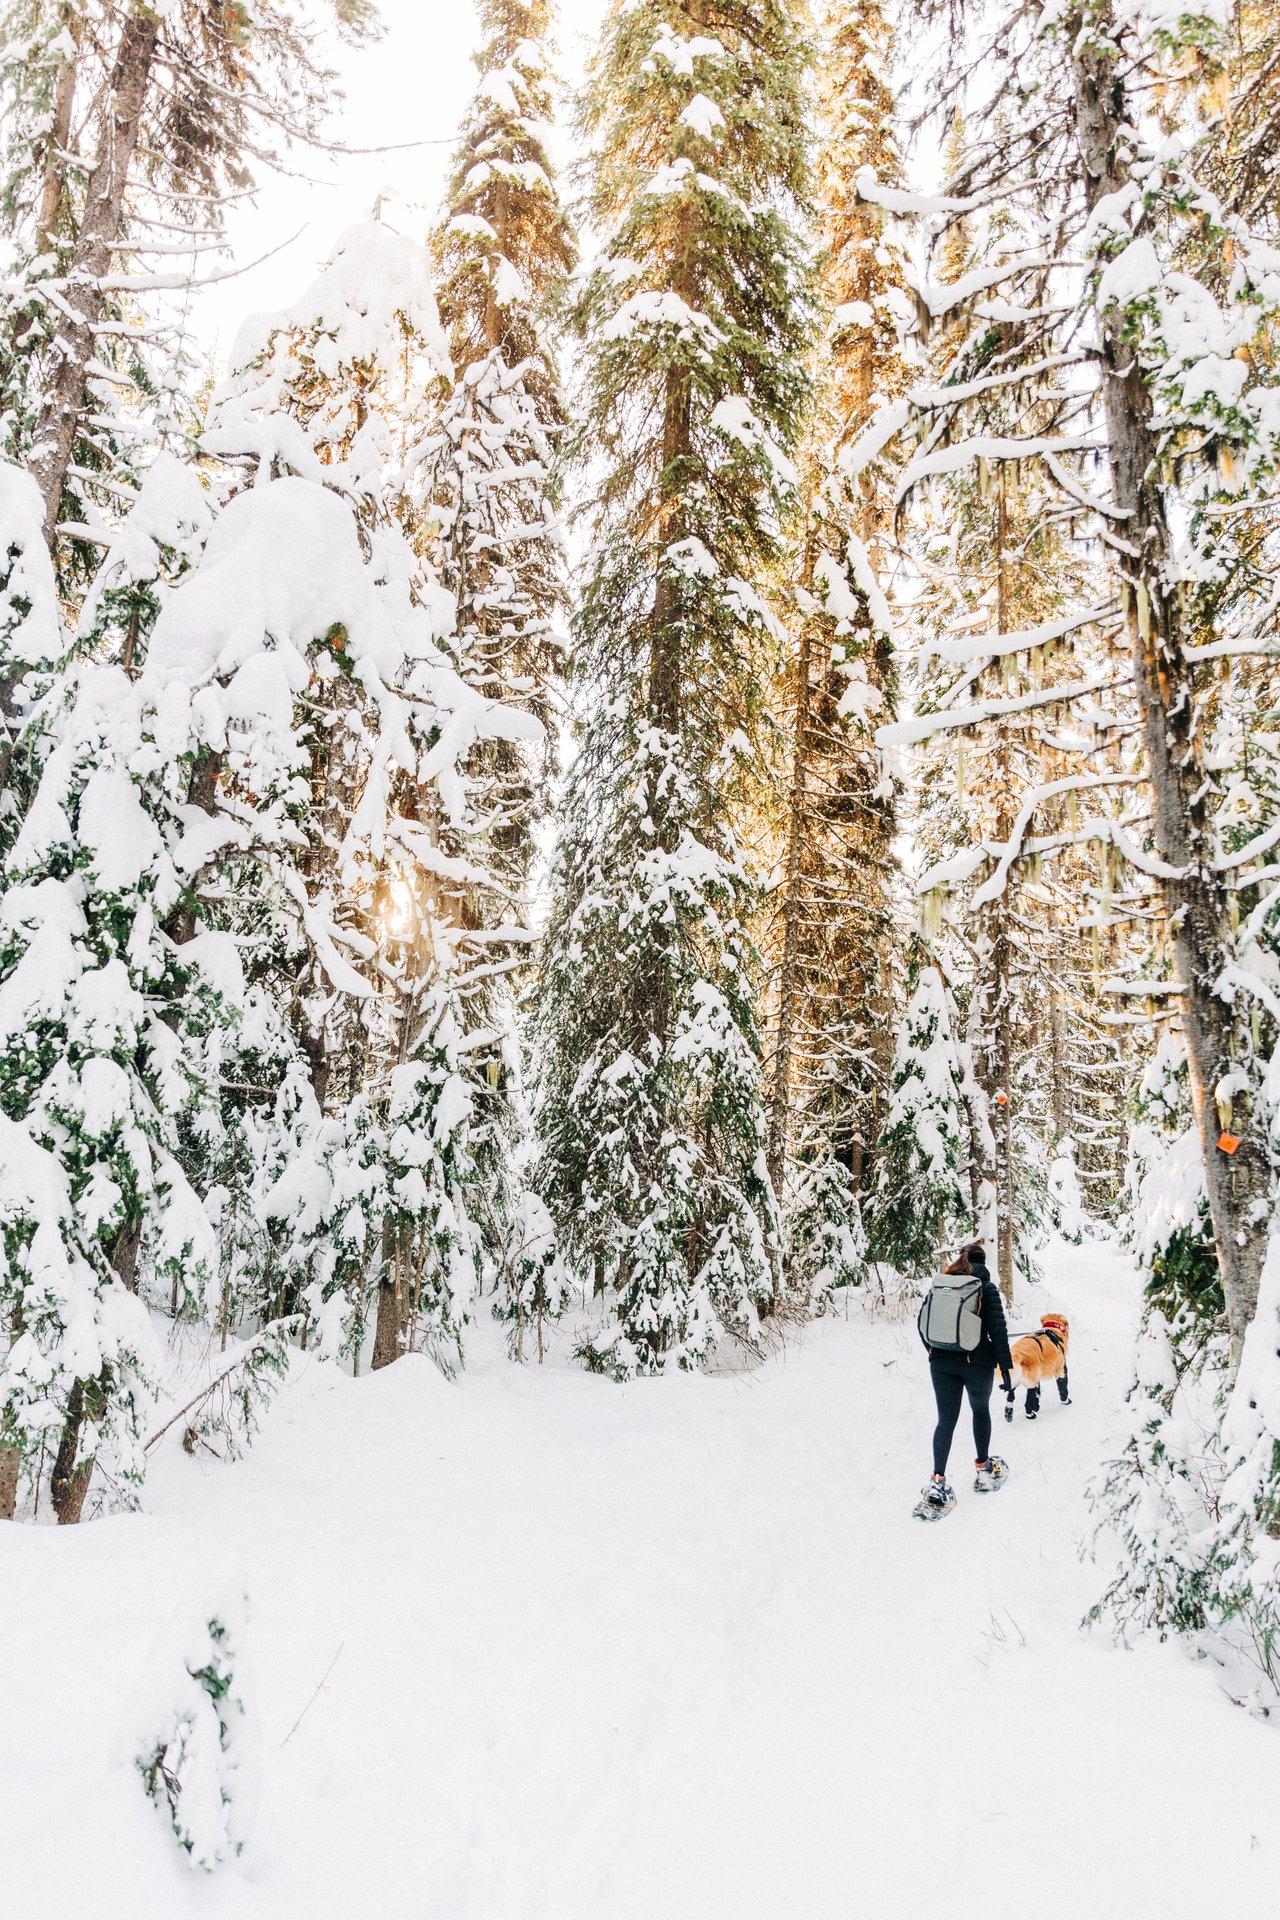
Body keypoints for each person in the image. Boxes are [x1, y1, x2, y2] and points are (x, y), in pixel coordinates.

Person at [917, 1242, 1013, 1518]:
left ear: (963, 1259)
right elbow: (999, 1331)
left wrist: (936, 1353)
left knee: (945, 1420)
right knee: (980, 1411)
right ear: (984, 1263)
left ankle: (937, 1484)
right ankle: (983, 1469)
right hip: (977, 1363)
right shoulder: (986, 1288)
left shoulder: (941, 1284)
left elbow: (921, 1323)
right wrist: (1005, 1368)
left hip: (941, 1364)